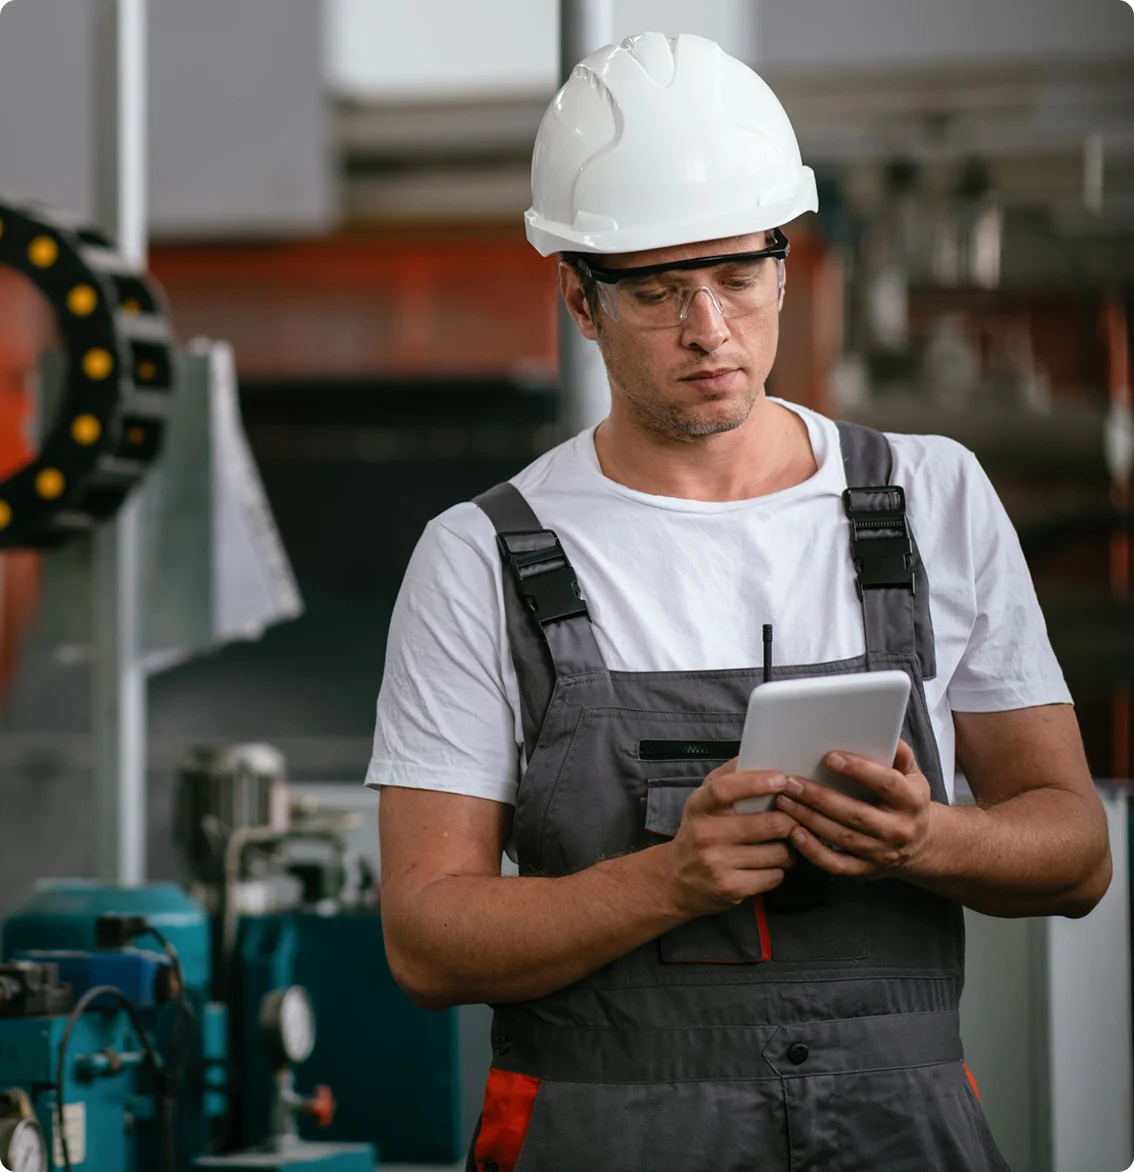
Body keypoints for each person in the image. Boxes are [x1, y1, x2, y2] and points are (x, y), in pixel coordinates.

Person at [368, 32, 1111, 1172]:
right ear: (579, 298)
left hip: (900, 1132)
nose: (709, 330)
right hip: (607, 1136)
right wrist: (667, 880)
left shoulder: (930, 497)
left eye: (737, 277)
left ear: (784, 262)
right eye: (659, 290)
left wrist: (927, 837)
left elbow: (1076, 851)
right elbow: (425, 939)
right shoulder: (479, 557)